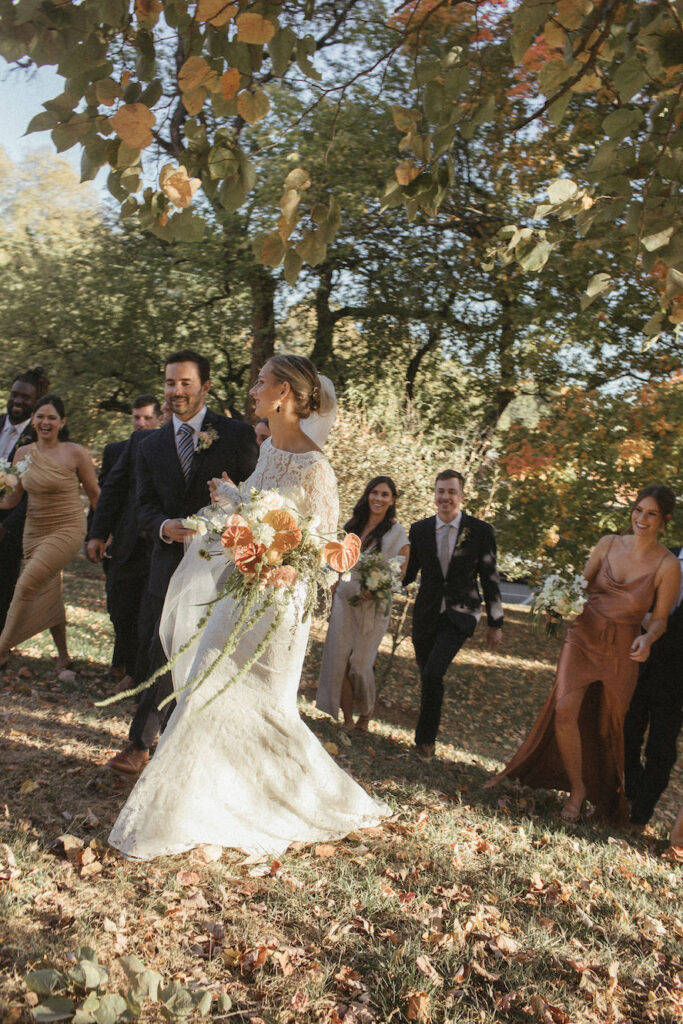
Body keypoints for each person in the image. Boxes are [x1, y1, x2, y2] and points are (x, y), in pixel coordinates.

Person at [109, 355, 391, 860]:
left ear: (283, 392)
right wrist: (232, 501)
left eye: (261, 382)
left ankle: (311, 798)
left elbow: (327, 555)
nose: (254, 388)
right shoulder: (268, 452)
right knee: (203, 690)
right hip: (239, 590)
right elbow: (259, 512)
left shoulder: (316, 467)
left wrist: (288, 568)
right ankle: (192, 805)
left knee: (267, 708)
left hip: (280, 604)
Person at [485, 485, 681, 825]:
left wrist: (648, 639)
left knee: (612, 727)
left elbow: (661, 618)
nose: (641, 519)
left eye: (651, 514)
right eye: (638, 510)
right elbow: (582, 586)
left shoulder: (667, 564)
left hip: (623, 648)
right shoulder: (607, 544)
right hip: (583, 635)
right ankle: (576, 789)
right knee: (564, 710)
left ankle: (607, 795)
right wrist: (557, 605)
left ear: (664, 520)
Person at [105, 350, 259, 776]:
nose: (176, 391)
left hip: (220, 565)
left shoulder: (237, 434)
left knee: (207, 654)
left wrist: (231, 511)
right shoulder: (148, 444)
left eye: (185, 383)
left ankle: (185, 745)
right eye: (170, 383)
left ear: (205, 387)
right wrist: (163, 526)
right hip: (168, 561)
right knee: (159, 647)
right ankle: (140, 744)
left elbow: (255, 502)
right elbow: (143, 504)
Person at [403, 470, 504, 759]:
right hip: (426, 613)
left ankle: (423, 743)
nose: (445, 497)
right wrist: (379, 576)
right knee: (428, 676)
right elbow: (409, 574)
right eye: (440, 491)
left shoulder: (480, 531)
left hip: (461, 613)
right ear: (434, 494)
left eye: (451, 492)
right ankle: (426, 740)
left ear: (461, 496)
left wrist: (496, 622)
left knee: (434, 671)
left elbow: (490, 577)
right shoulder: (419, 530)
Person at [0, 394, 100, 671]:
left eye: (51, 417)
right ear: (33, 420)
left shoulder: (75, 452)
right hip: (34, 530)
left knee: (26, 584)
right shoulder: (22, 453)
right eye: (40, 416)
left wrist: (101, 533)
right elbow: (11, 499)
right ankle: (64, 656)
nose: (45, 422)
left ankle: (2, 649)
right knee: (49, 589)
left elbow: (95, 495)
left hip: (68, 527)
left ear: (62, 422)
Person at [316, 476, 409, 731]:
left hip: (373, 606)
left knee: (359, 665)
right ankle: (347, 719)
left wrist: (376, 588)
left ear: (392, 500)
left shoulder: (396, 533)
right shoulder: (352, 526)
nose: (378, 498)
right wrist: (329, 598)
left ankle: (366, 711)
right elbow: (336, 565)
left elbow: (400, 568)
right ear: (367, 495)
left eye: (385, 495)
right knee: (338, 660)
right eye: (374, 493)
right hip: (343, 602)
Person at [86, 395, 163, 689]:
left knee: (148, 614)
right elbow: (111, 491)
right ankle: (128, 663)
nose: (141, 423)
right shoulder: (126, 447)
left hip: (159, 544)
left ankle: (136, 674)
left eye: (147, 418)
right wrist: (96, 533)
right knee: (119, 606)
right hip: (126, 542)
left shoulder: (173, 444)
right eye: (137, 418)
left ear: (160, 418)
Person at [624, 542, 683, 826]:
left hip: (677, 680)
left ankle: (640, 814)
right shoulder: (661, 555)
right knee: (625, 734)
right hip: (638, 665)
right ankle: (630, 792)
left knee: (661, 750)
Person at [0, 367, 50, 633]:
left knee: (3, 589)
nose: (18, 401)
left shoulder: (40, 440)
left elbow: (35, 493)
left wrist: (6, 526)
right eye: (15, 395)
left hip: (11, 529)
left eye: (26, 398)